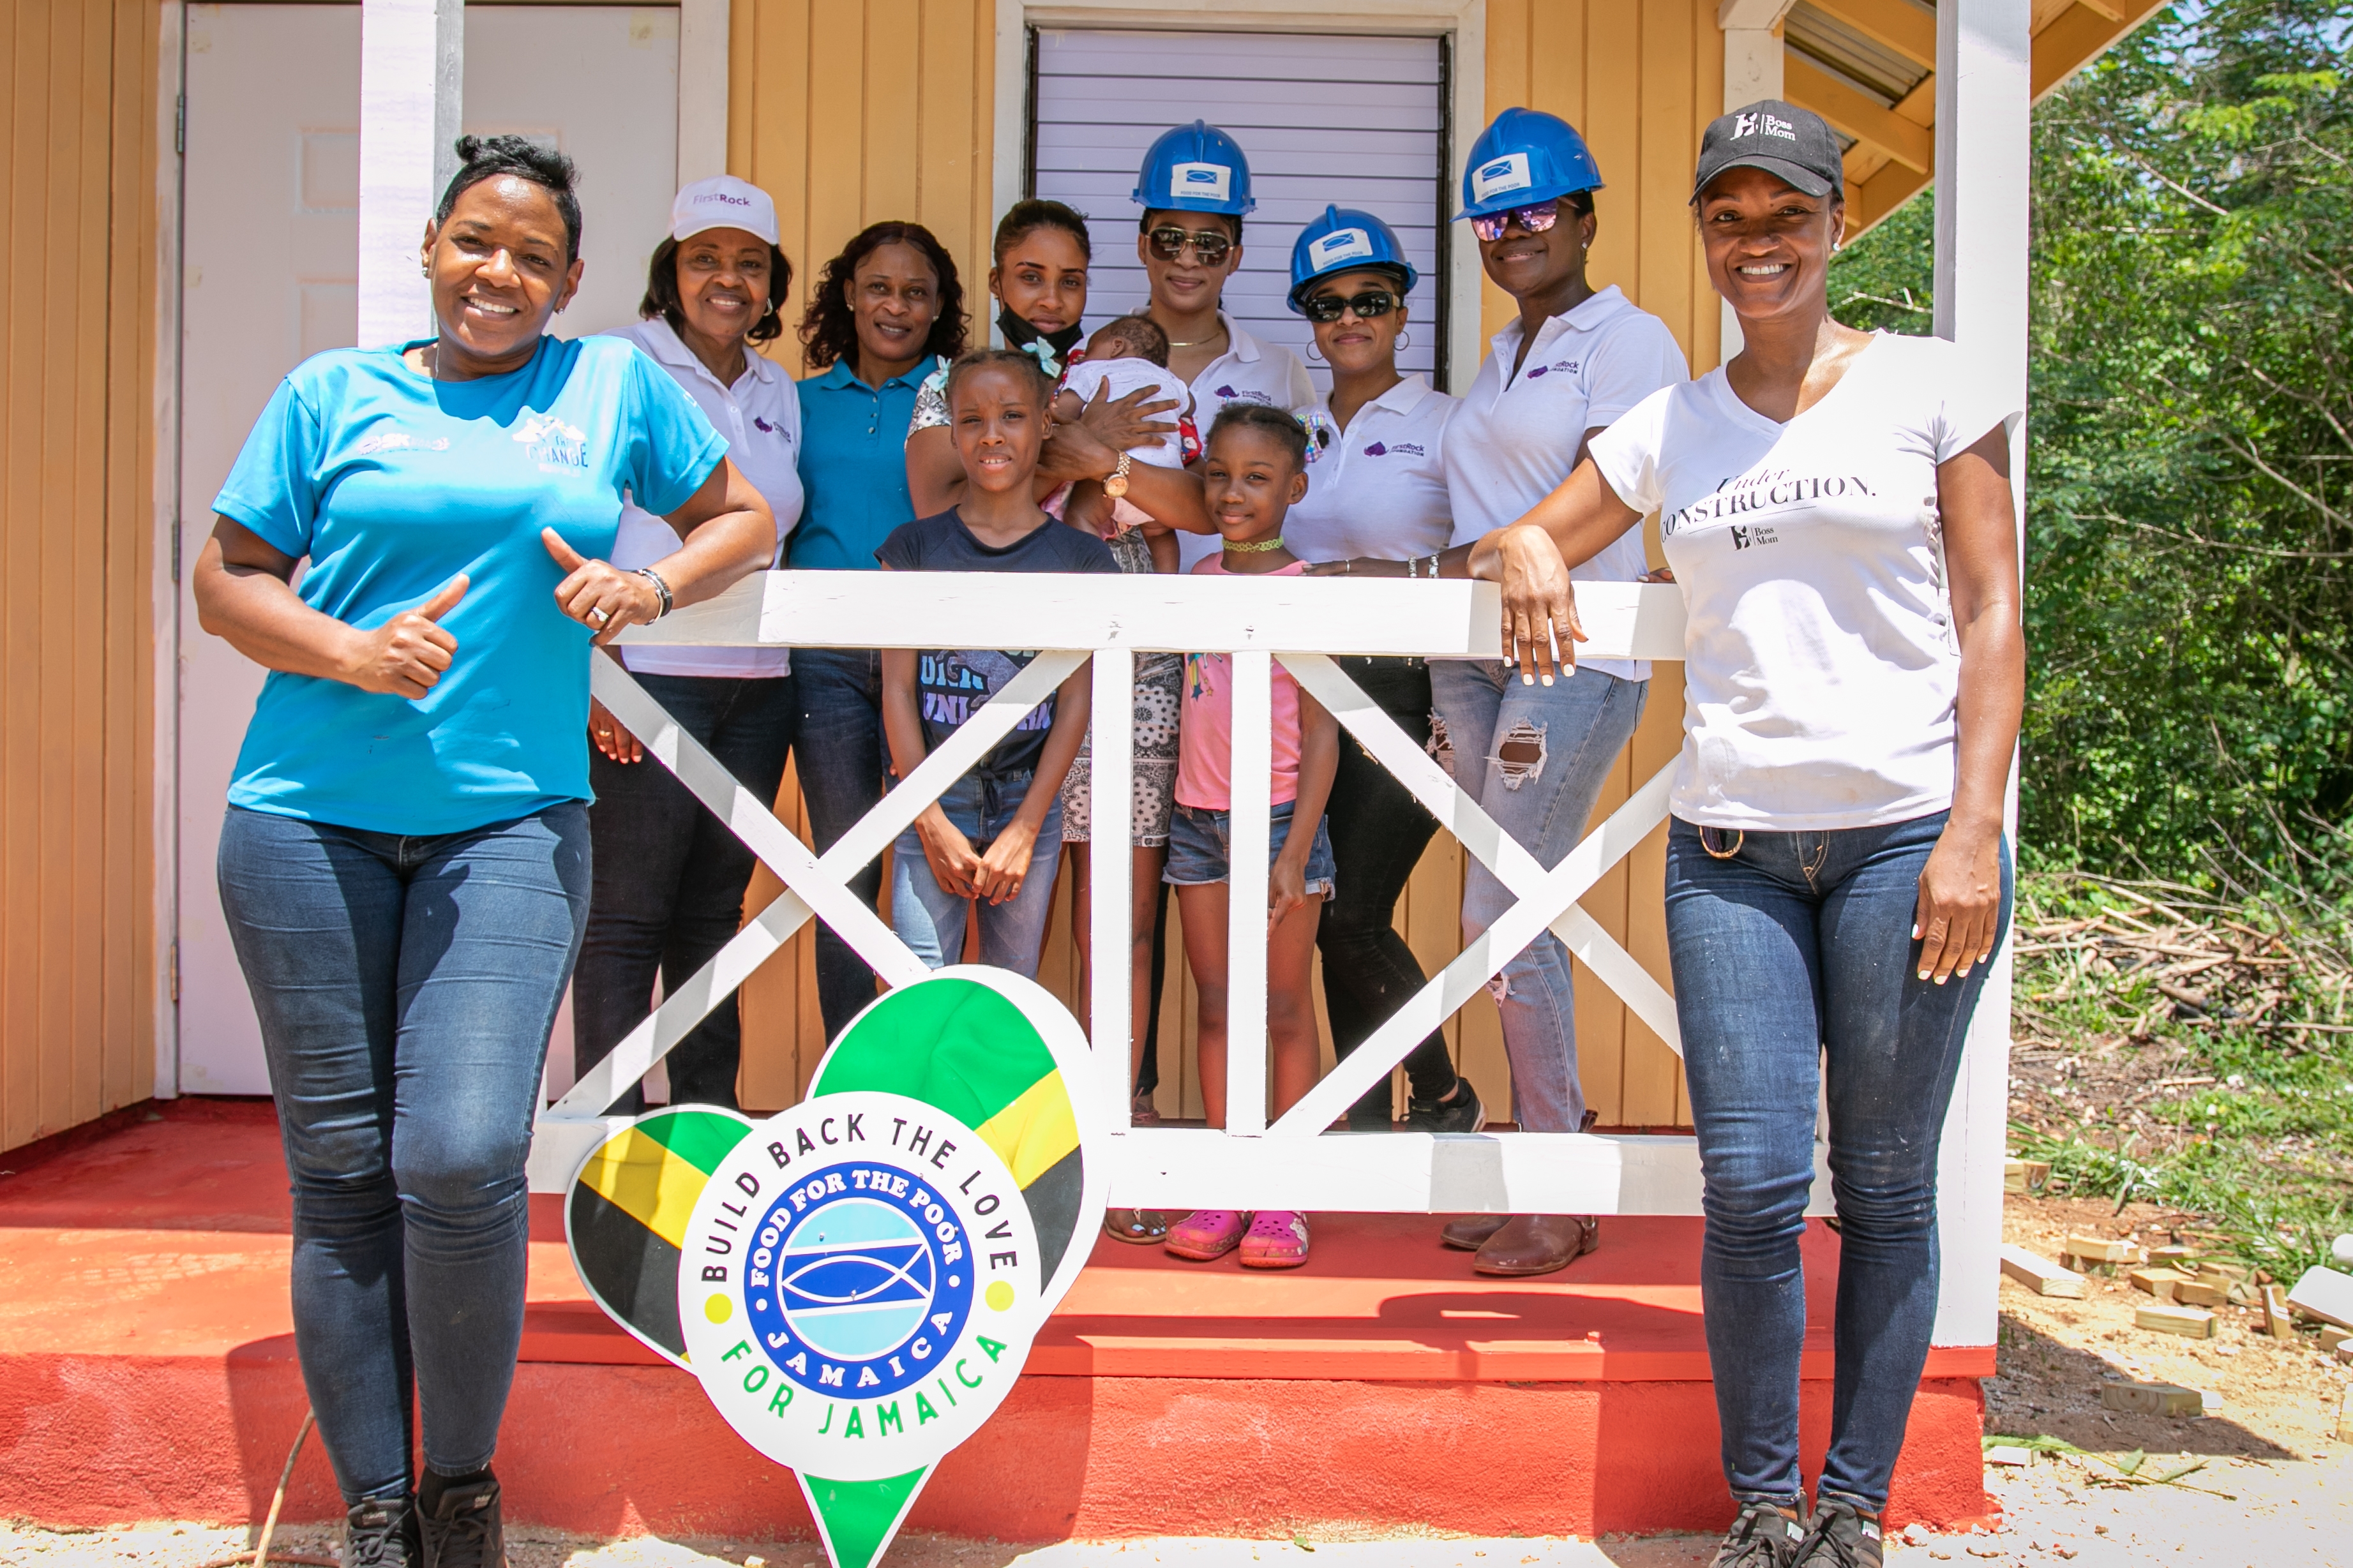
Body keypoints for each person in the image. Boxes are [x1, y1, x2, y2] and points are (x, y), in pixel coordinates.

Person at [194, 136, 774, 1568]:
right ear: (433, 250)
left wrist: (651, 579)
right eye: (472, 241)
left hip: (511, 820)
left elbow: (744, 518)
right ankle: (379, 1512)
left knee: (456, 1153)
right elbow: (223, 577)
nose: (495, 273)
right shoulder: (333, 393)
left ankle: (461, 1480)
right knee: (338, 1173)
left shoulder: (612, 389)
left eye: (528, 255)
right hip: (302, 815)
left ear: (571, 281)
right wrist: (349, 649)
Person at [1480, 101, 2022, 1568]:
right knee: (1755, 1185)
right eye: (1729, 218)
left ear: (1836, 225)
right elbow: (1542, 528)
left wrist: (1973, 829)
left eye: (1784, 214)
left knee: (1888, 1184)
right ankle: (1765, 1504)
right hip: (1730, 854)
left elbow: (1988, 612)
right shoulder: (1671, 424)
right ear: (1703, 238)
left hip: (1908, 842)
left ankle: (1853, 1505)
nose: (1757, 243)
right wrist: (1529, 545)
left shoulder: (1929, 386)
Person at [1323, 108, 1690, 1277]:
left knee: (1502, 916)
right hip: (1471, 659)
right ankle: (1543, 1152)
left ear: (1584, 217)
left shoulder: (1630, 342)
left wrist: (1517, 543)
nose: (1513, 232)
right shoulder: (1498, 355)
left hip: (1568, 659)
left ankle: (1556, 1182)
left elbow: (1614, 492)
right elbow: (1473, 521)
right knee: (1496, 916)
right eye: (1493, 216)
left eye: (1536, 210)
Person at [575, 175, 802, 1112]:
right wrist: (599, 669)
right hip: (647, 678)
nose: (728, 279)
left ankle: (703, 1116)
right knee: (628, 916)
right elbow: (580, 521)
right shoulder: (613, 364)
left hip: (758, 681)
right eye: (705, 258)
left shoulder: (774, 384)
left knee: (715, 914)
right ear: (670, 270)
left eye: (749, 264)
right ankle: (609, 1123)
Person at [1279, 206, 1482, 1138]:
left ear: (1402, 311)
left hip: (1412, 693)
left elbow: (1492, 545)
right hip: (1300, 699)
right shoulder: (1290, 430)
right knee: (1331, 915)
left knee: (1350, 916)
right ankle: (1362, 1122)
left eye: (1370, 299)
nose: (1348, 318)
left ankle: (1442, 1094)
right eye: (1326, 305)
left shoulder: (1448, 422)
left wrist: (1381, 577)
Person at [1160, 405, 1341, 1271]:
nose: (1233, 492)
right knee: (1214, 1001)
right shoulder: (1194, 574)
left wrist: (1297, 849)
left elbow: (1322, 733)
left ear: (1294, 488)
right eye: (1219, 475)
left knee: (1281, 1006)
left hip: (1278, 823)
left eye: (1257, 477)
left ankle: (1281, 1189)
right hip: (1196, 822)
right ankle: (1226, 1178)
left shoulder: (1304, 587)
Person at [876, 349, 1116, 974]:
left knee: (1011, 991)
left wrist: (1026, 826)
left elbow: (1074, 702)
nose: (991, 435)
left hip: (1027, 801)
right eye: (971, 419)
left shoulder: (1079, 558)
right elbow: (898, 691)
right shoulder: (914, 548)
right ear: (950, 430)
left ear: (1043, 423)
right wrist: (927, 818)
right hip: (932, 795)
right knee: (917, 984)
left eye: (1011, 415)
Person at [792, 221, 967, 1042]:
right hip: (824, 661)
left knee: (934, 864)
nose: (896, 306)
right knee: (843, 865)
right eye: (878, 288)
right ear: (848, 295)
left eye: (916, 292)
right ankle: (845, 1061)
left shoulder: (959, 400)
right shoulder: (795, 403)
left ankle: (922, 1061)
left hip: (935, 656)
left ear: (940, 308)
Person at [1125, 121, 1319, 569]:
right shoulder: (1100, 362)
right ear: (1142, 246)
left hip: (1234, 621)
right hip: (1118, 612)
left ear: (1235, 257)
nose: (1188, 259)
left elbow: (1305, 500)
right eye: (1169, 240)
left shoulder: (1280, 371)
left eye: (1210, 245)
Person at [1051, 313, 1187, 569]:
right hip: (1162, 480)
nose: (1086, 357)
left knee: (1081, 516)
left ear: (1116, 347)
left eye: (1090, 350)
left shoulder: (1091, 369)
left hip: (1107, 474)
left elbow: (1063, 412)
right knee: (1161, 532)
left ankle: (1101, 576)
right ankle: (1170, 583)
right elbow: (1188, 405)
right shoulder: (1169, 378)